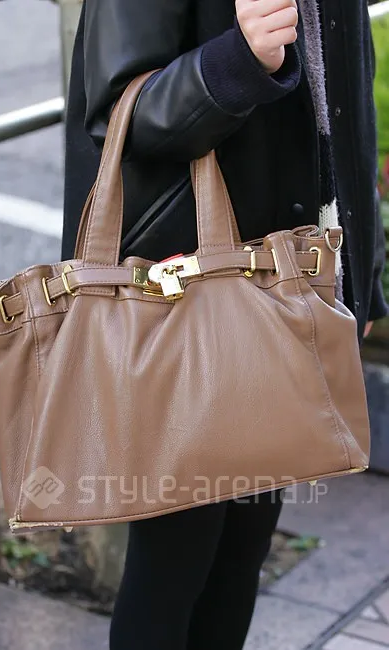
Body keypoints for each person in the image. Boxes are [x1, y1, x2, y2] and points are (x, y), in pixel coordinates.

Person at [62, 1, 388, 648]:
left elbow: (344, 99)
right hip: (187, 302)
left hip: (293, 282)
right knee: (174, 562)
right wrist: (239, 61)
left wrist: (361, 277)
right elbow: (117, 113)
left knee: (243, 549)